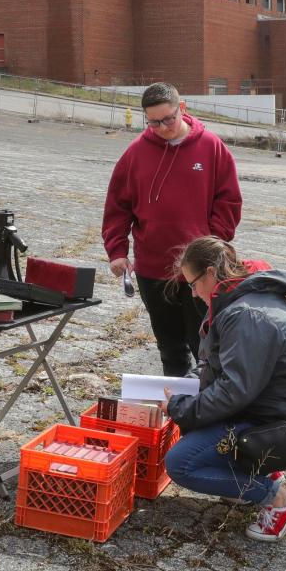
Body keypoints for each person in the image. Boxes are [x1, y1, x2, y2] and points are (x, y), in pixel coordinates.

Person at [163, 236, 286, 542]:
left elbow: (233, 391)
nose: (193, 292)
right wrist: (185, 384)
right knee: (194, 431)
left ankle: (279, 497)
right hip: (271, 416)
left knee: (181, 463)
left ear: (211, 274)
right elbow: (219, 367)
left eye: (193, 283)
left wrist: (181, 408)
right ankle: (252, 476)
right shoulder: (243, 298)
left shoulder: (246, 315)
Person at [102, 83, 242, 376]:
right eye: (153, 122)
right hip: (152, 269)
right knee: (170, 348)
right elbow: (118, 205)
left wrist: (211, 243)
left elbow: (229, 201)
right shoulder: (136, 153)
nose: (162, 127)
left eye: (168, 119)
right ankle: (179, 411)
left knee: (204, 346)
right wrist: (117, 251)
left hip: (201, 270)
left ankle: (208, 410)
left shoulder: (212, 147)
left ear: (182, 109)